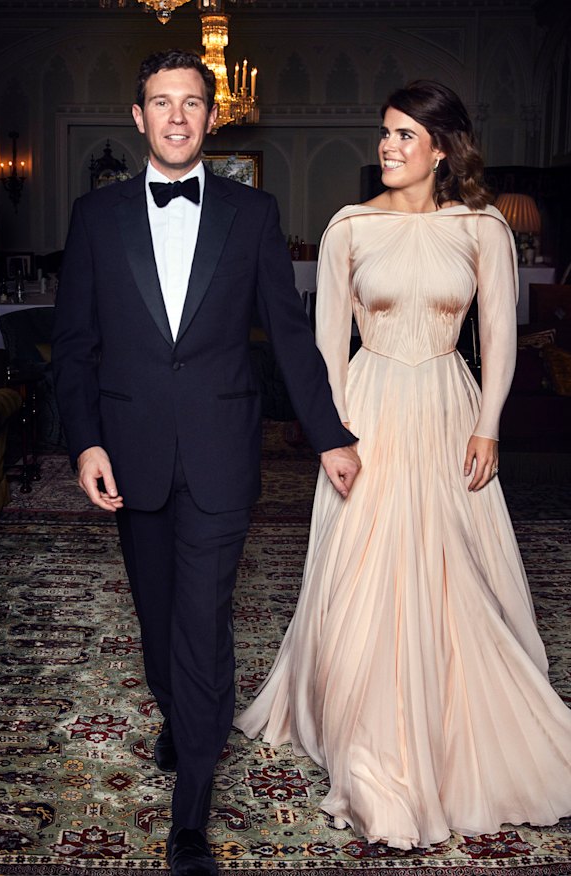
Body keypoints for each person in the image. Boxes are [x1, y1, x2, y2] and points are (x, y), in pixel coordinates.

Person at [235, 80, 571, 850]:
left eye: (404, 135)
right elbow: (325, 345)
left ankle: (455, 725)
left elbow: (499, 337)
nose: (387, 145)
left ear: (442, 148)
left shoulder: (481, 227)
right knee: (364, 569)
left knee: (456, 569)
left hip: (451, 413)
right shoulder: (349, 225)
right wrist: (333, 433)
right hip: (370, 410)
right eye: (384, 132)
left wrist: (488, 425)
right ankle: (368, 740)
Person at [52, 49, 360, 876]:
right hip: (132, 453)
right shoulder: (95, 216)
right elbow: (74, 347)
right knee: (158, 623)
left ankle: (190, 810)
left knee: (202, 621)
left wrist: (329, 433)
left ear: (213, 115)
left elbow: (289, 339)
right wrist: (85, 441)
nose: (178, 117)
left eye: (192, 102)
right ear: (139, 115)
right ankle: (181, 715)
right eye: (162, 102)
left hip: (224, 453)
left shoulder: (252, 213)